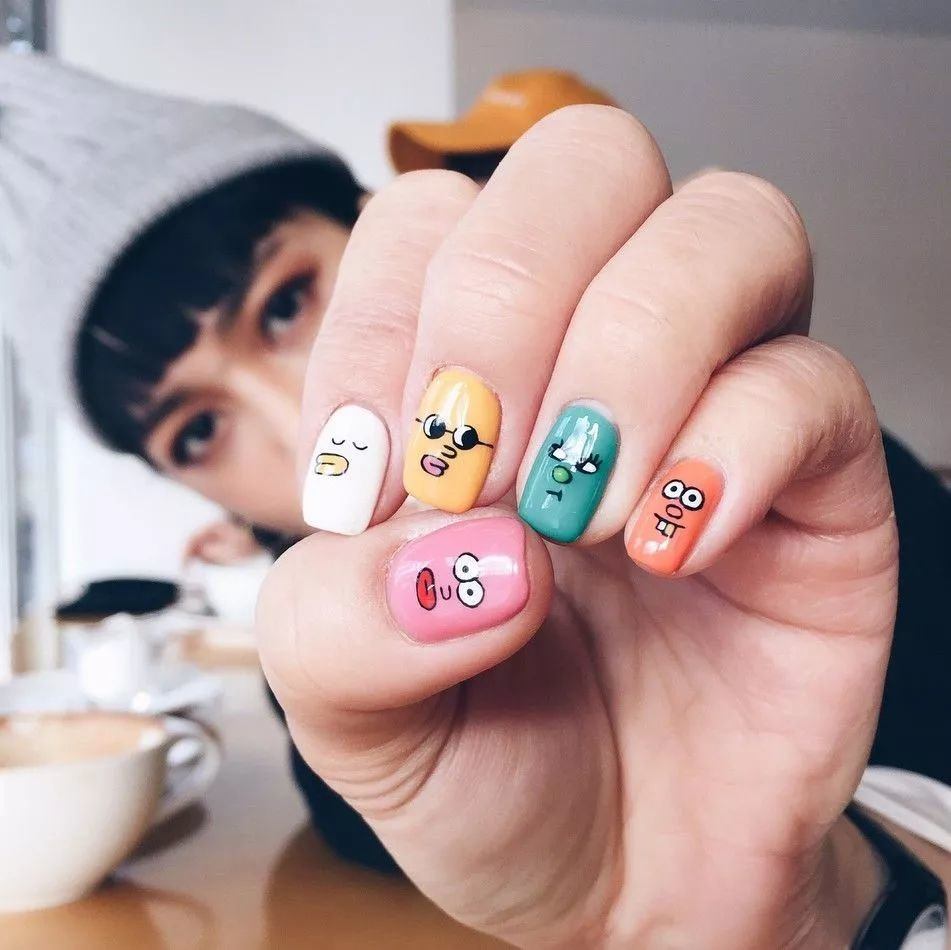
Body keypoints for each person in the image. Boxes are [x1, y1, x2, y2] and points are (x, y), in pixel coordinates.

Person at [3, 52, 950, 947]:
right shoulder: (352, 720)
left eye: (286, 304)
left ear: (369, 219)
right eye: (198, 432)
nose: (297, 425)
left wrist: (828, 884)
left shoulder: (791, 512)